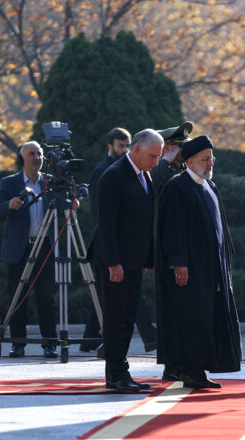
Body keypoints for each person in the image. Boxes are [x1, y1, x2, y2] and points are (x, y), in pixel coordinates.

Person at [155, 135, 242, 389]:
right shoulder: (177, 187)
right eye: (205, 159)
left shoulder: (208, 186)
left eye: (211, 159)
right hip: (190, 268)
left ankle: (176, 367)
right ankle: (192, 371)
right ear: (190, 161)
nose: (210, 164)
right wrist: (179, 262)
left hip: (211, 266)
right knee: (192, 317)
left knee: (203, 315)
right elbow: (174, 229)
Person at [87, 129, 163, 392]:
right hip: (114, 262)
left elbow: (144, 221)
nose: (155, 161)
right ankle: (115, 375)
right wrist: (113, 262)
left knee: (128, 317)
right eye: (153, 156)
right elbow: (106, 224)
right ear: (138, 149)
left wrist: (146, 259)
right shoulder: (114, 175)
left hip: (133, 260)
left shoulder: (144, 175)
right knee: (115, 318)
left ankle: (123, 372)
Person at [0, 141, 57, 358]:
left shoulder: (50, 181)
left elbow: (61, 209)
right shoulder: (10, 182)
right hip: (19, 248)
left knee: (46, 297)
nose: (37, 158)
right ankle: (18, 343)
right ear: (23, 158)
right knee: (18, 296)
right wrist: (8, 205)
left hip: (44, 247)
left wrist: (71, 203)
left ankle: (50, 343)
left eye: (39, 154)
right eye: (32, 154)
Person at [149, 121, 193, 381]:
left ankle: (180, 362)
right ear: (169, 149)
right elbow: (149, 185)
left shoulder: (184, 170)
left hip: (184, 247)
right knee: (169, 309)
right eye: (179, 147)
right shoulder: (160, 169)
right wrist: (164, 160)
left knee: (183, 309)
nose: (183, 152)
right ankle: (171, 364)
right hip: (166, 248)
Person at [150, 121, 193, 196]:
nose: (187, 148)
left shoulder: (187, 167)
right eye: (182, 145)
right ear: (167, 148)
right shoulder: (158, 169)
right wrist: (165, 162)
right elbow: (151, 183)